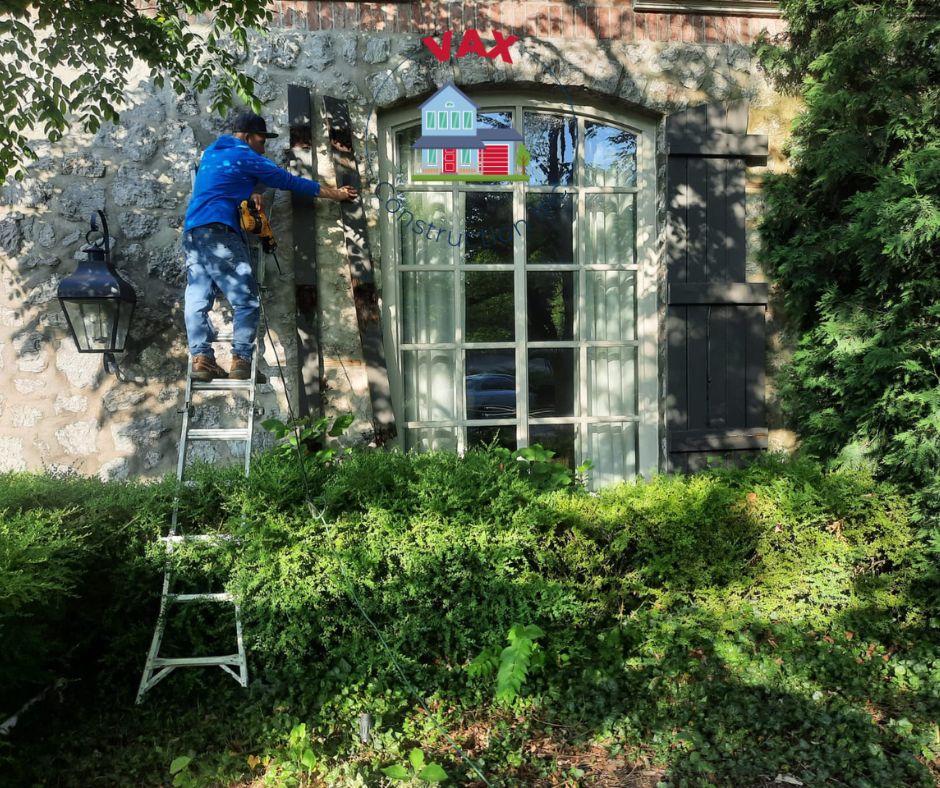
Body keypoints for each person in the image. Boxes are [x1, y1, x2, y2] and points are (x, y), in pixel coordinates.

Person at [182, 111, 358, 381]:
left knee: (198, 298)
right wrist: (337, 194)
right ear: (248, 137)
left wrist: (255, 190)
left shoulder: (212, 153)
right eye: (262, 140)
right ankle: (241, 360)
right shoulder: (247, 156)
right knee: (247, 300)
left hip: (193, 233)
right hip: (220, 232)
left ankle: (202, 358)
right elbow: (289, 181)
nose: (264, 147)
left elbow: (243, 178)